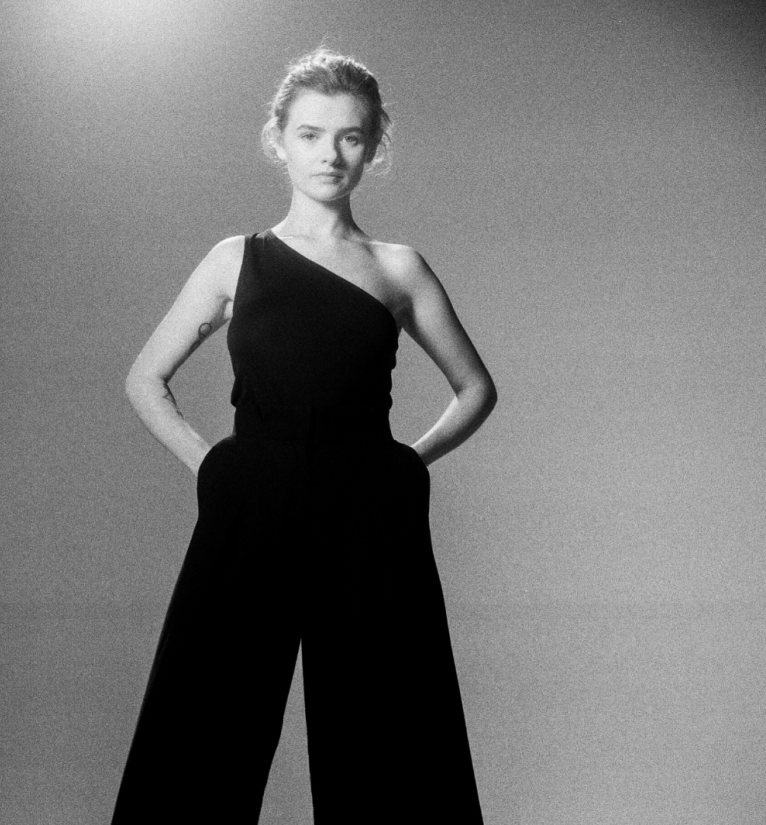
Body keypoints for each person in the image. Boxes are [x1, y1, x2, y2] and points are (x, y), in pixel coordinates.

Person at [112, 48, 497, 823]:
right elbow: (145, 377)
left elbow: (476, 388)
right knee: (204, 717)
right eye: (312, 134)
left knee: (388, 725)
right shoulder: (235, 260)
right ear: (279, 141)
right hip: (251, 502)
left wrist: (403, 466)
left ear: (374, 145)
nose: (330, 153)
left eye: (351, 136)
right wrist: (213, 467)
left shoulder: (398, 267)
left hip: (367, 512)